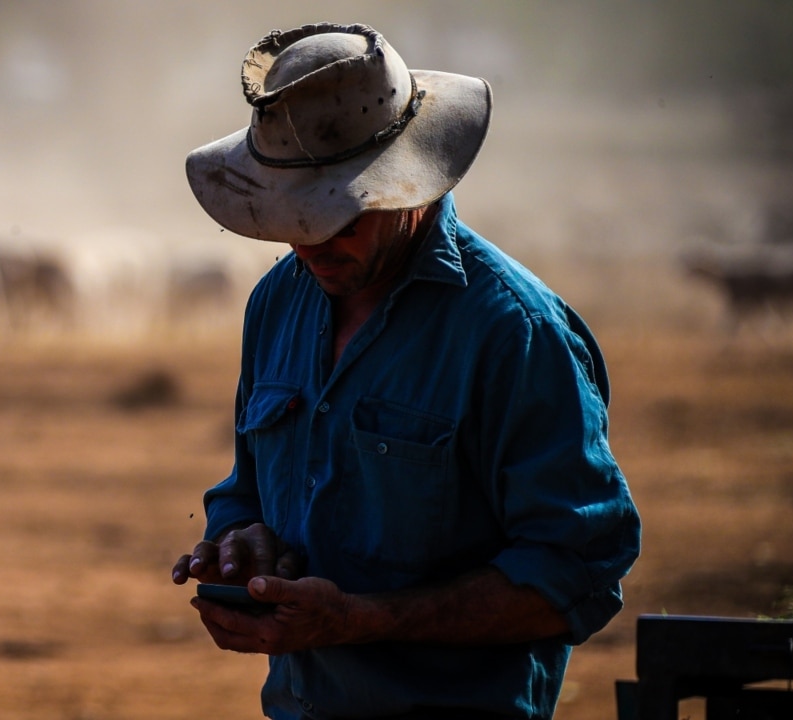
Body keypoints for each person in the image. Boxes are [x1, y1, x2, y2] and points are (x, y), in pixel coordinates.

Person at [170, 22, 641, 720]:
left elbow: (579, 570)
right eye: (294, 221)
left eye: (340, 218)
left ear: (408, 184)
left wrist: (363, 618)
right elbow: (249, 488)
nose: (313, 245)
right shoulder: (277, 304)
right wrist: (246, 541)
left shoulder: (514, 332)